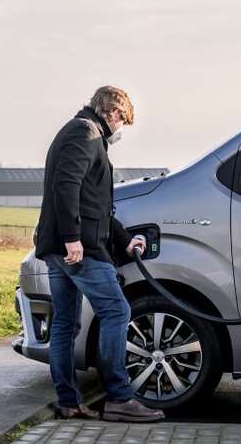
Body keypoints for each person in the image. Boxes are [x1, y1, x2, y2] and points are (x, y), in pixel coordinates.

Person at [34, 86, 165, 423]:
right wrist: (72, 238)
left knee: (65, 324)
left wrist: (123, 240)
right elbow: (66, 186)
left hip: (58, 248)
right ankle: (120, 398)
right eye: (123, 121)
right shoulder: (85, 133)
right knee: (117, 310)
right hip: (80, 249)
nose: (121, 130)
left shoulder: (79, 131)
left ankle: (68, 401)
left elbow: (98, 206)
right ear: (115, 112)